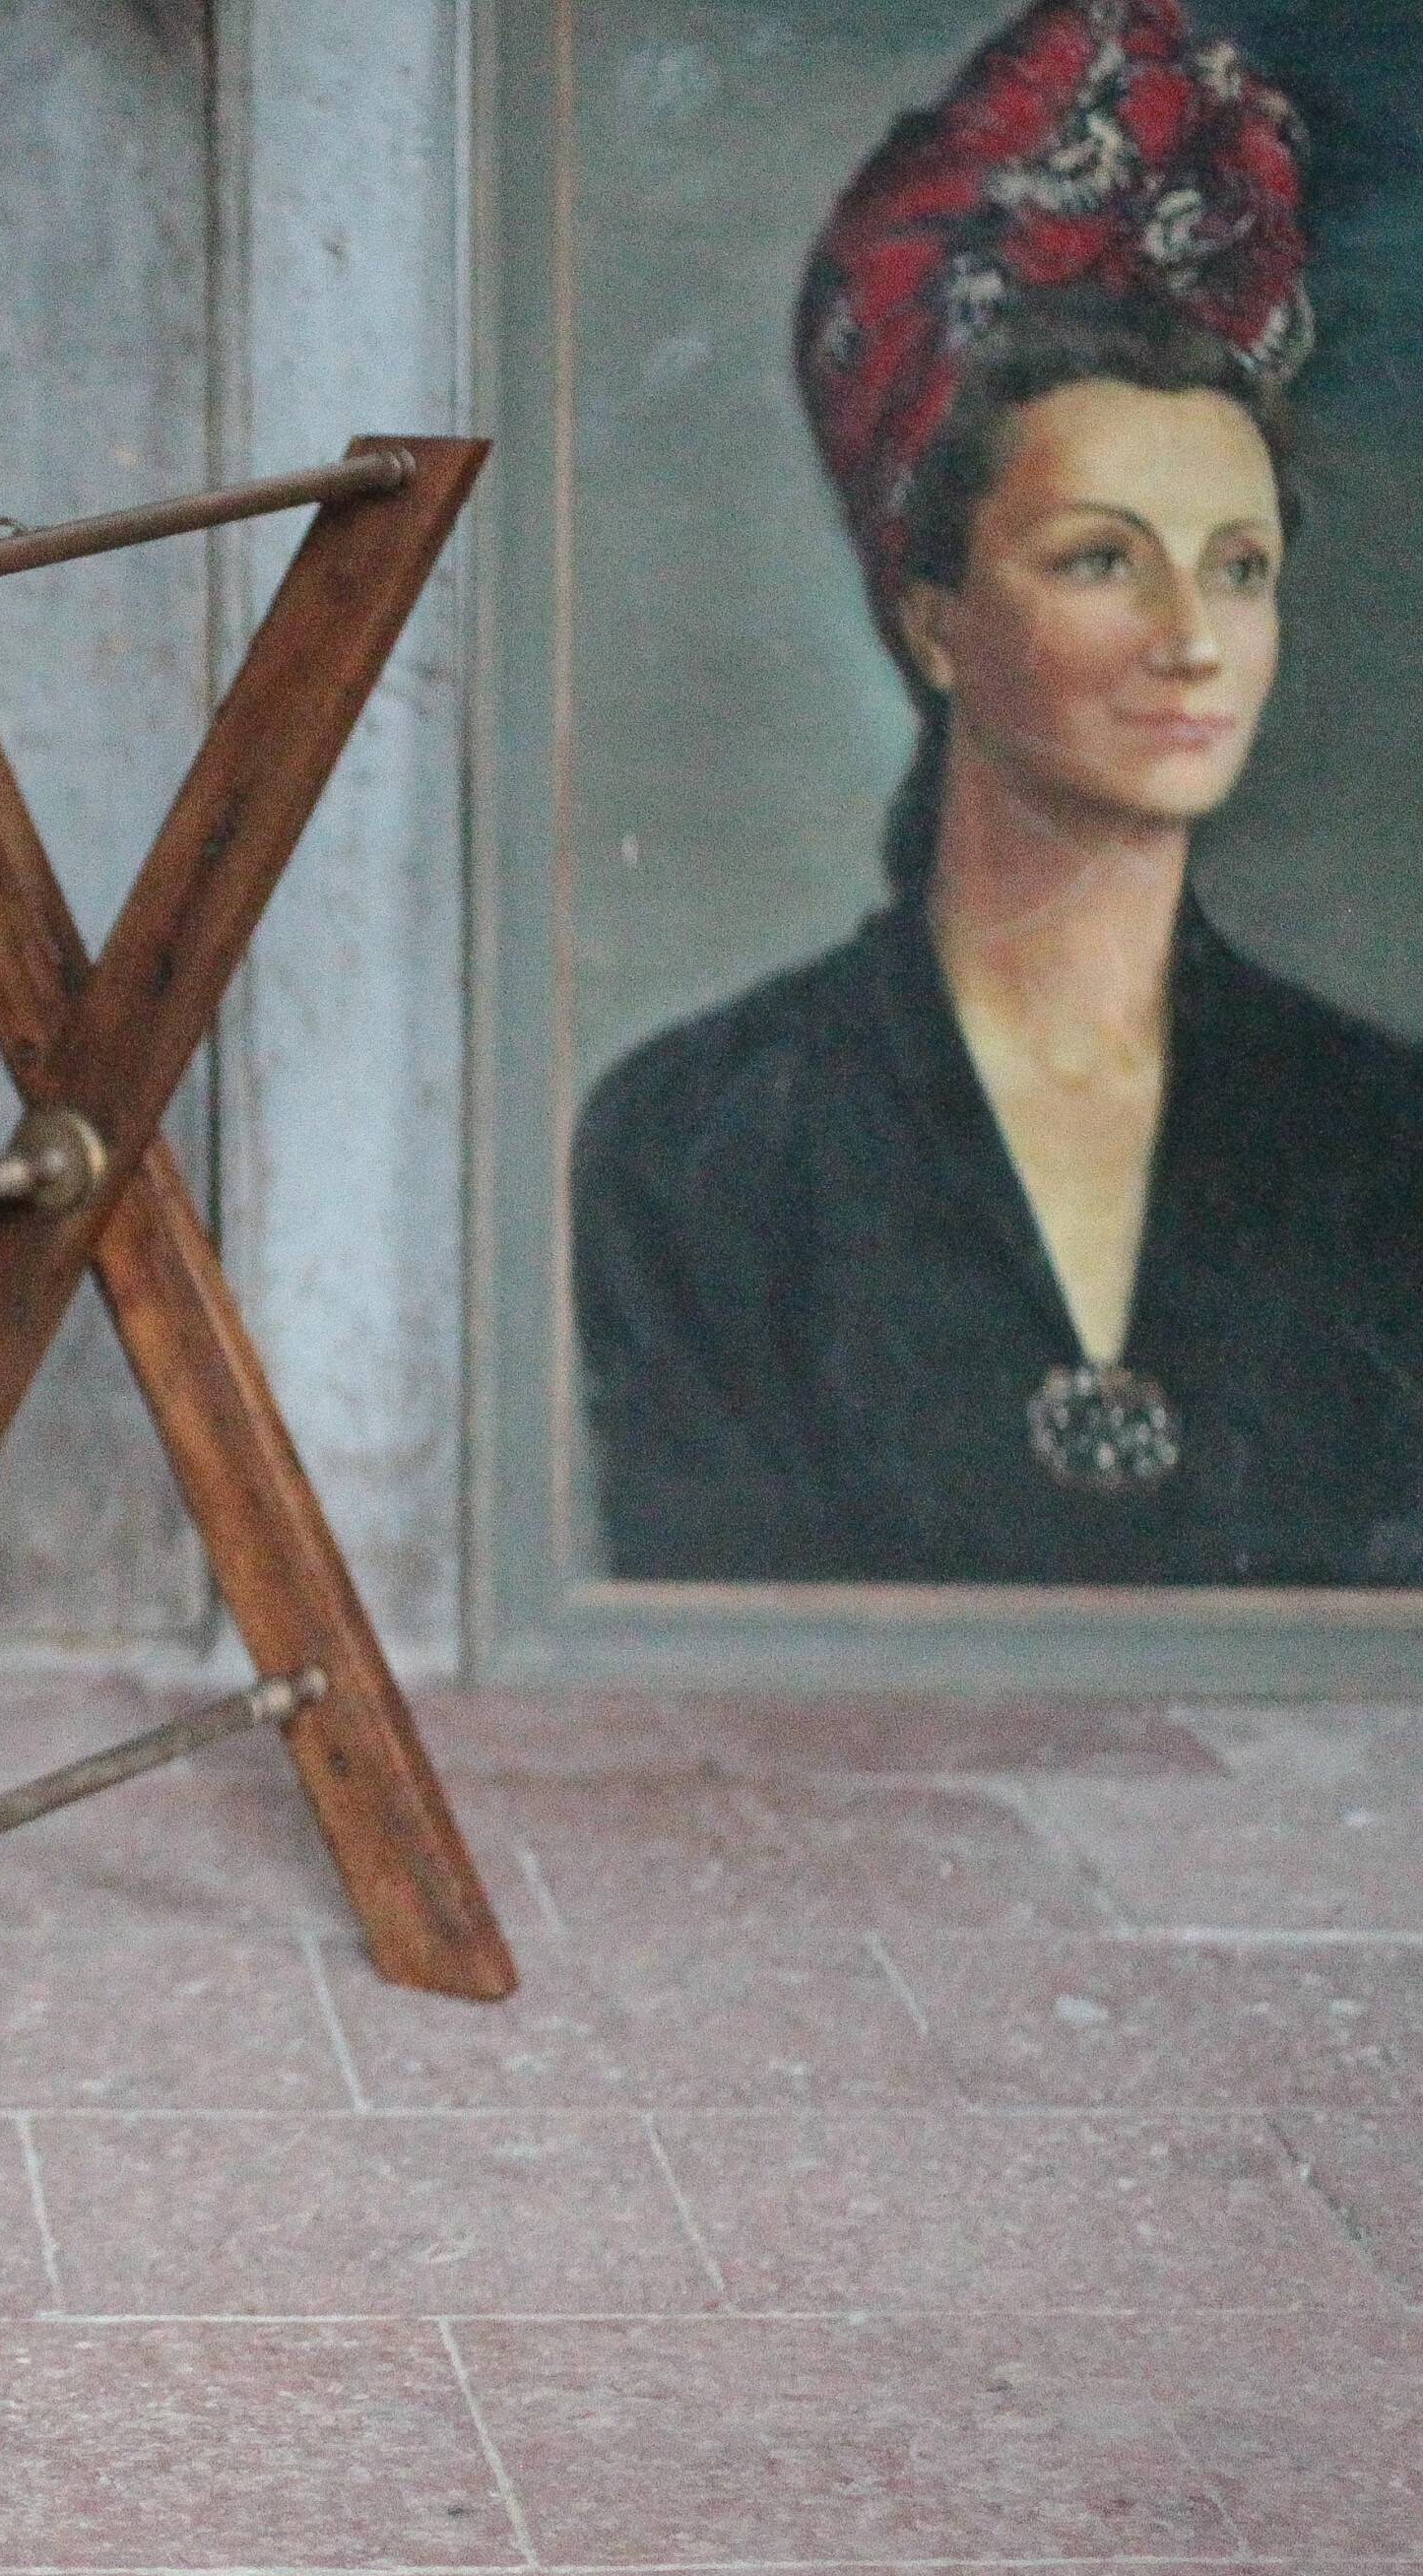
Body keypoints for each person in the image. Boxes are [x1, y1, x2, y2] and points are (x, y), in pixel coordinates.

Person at [574, 0, 1423, 1586]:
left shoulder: (1389, 1142)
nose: (1192, 642)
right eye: (1103, 558)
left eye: (1239, 570)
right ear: (936, 620)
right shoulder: (701, 1144)